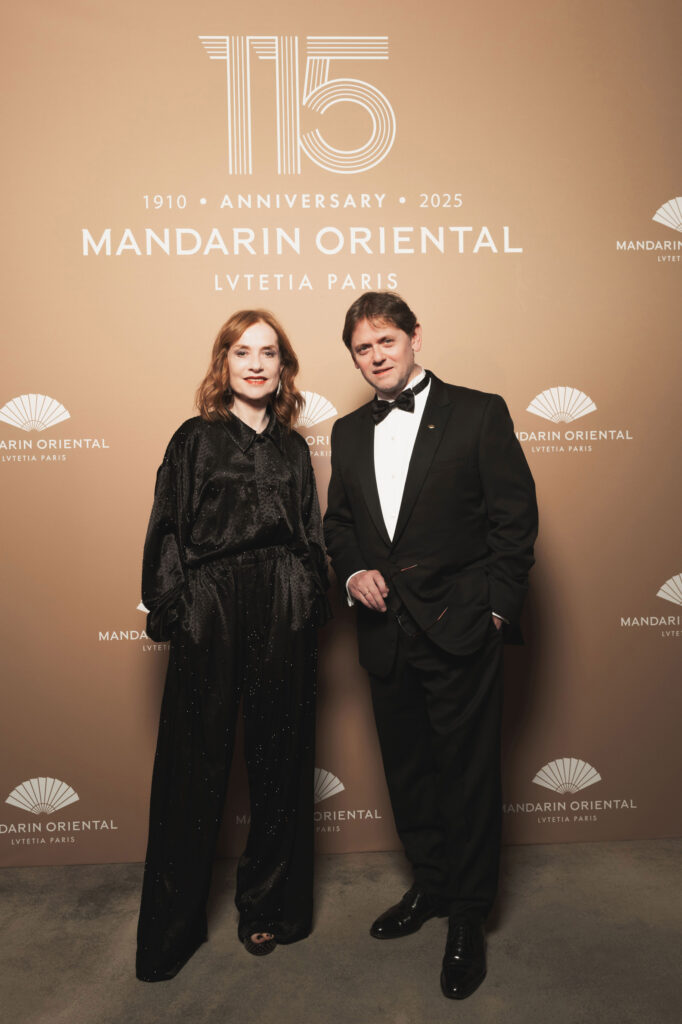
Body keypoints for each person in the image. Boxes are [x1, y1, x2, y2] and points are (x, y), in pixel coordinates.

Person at [324, 292, 537, 1000]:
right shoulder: (347, 433)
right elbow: (339, 525)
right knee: (409, 771)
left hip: (462, 627)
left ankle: (468, 916)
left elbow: (514, 520)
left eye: (385, 340)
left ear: (415, 337)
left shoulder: (479, 412)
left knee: (467, 776)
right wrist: (352, 571)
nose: (375, 356)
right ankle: (432, 886)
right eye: (362, 348)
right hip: (385, 632)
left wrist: (497, 611)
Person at [136, 310, 328, 981]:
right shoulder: (193, 439)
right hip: (210, 603)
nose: (255, 364)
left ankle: (268, 907)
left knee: (280, 762)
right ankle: (174, 927)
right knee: (193, 765)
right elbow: (167, 528)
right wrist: (177, 607)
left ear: (283, 367)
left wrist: (306, 599)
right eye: (242, 352)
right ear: (223, 362)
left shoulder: (294, 450)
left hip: (281, 602)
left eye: (268, 353)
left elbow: (310, 536)